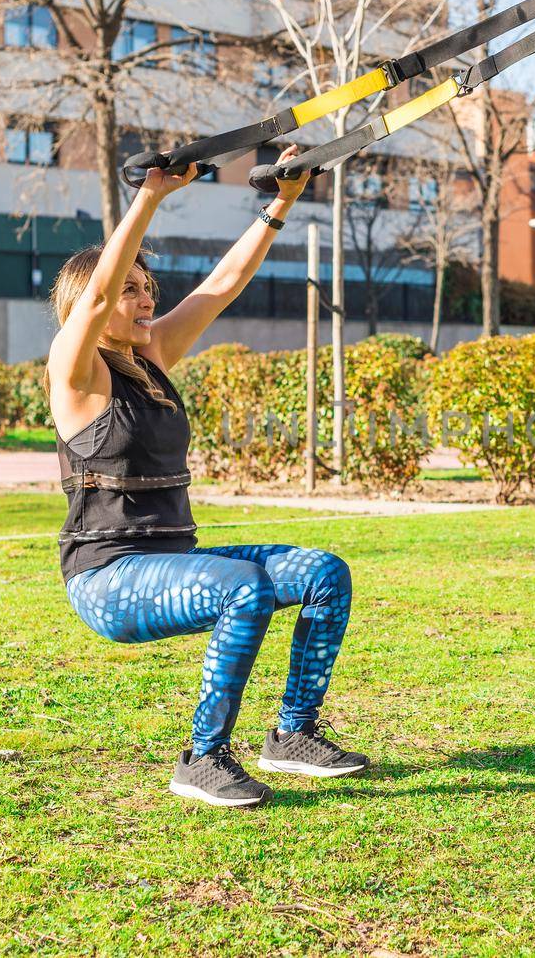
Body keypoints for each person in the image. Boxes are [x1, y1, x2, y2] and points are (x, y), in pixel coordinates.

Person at [47, 146, 367, 808]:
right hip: (107, 581)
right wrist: (152, 196)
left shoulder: (152, 356)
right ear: (89, 301)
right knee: (245, 590)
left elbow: (222, 284)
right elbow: (101, 289)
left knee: (322, 573)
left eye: (148, 288)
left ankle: (293, 737)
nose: (143, 299)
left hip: (172, 564)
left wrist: (281, 201)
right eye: (130, 289)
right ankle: (203, 758)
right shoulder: (75, 373)